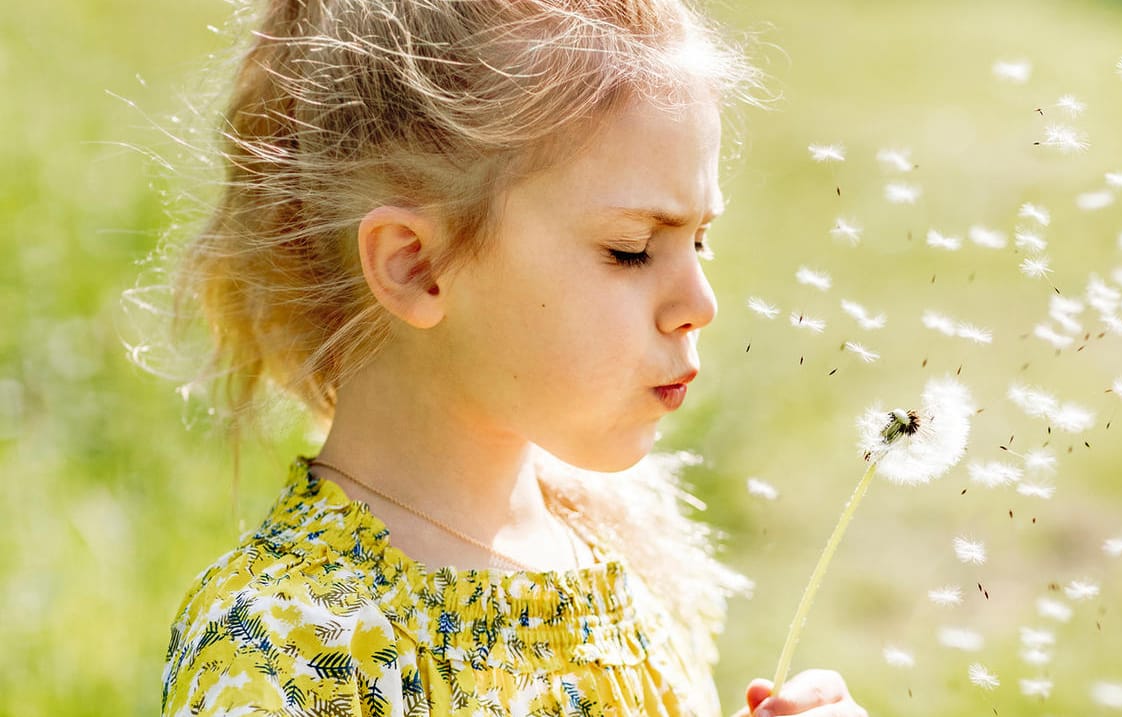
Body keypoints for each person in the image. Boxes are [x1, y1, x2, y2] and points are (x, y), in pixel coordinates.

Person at [157, 1, 866, 715]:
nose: (700, 301)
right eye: (631, 249)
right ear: (417, 266)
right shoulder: (291, 648)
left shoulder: (630, 557)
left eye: (700, 239)